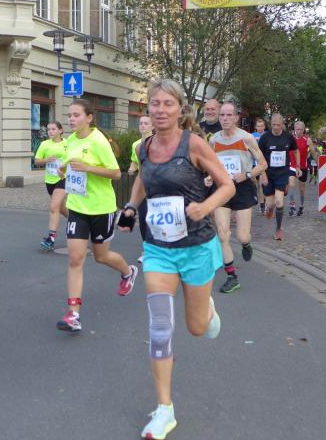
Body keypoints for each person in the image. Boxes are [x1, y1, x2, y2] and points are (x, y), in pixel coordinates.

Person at [118, 79, 235, 440]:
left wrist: (205, 206)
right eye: (155, 104)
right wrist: (130, 206)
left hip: (196, 247)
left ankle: (207, 309)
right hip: (158, 248)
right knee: (159, 328)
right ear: (148, 108)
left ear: (180, 109)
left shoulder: (194, 144)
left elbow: (227, 185)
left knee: (197, 328)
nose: (161, 110)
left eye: (168, 104)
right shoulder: (144, 147)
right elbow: (143, 180)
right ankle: (164, 409)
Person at [57, 99, 138, 333]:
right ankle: (73, 314)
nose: (71, 119)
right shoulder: (70, 141)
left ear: (89, 118)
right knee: (75, 258)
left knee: (101, 256)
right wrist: (63, 170)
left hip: (101, 208)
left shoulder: (98, 141)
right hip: (78, 206)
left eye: (76, 115)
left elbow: (115, 173)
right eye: (69, 115)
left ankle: (128, 272)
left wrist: (87, 168)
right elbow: (69, 167)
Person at [210, 103, 267, 293]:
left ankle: (246, 243)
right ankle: (232, 277)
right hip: (222, 187)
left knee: (242, 235)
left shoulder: (246, 138)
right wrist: (209, 176)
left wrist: (247, 174)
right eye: (222, 115)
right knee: (223, 234)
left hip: (243, 187)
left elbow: (263, 164)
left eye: (229, 115)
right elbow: (211, 164)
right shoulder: (214, 140)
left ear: (236, 118)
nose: (225, 118)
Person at [258, 113, 299, 241]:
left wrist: (297, 166)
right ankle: (269, 209)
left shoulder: (288, 137)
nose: (275, 127)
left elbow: (296, 151)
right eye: (273, 125)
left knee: (279, 201)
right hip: (268, 173)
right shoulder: (265, 138)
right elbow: (259, 157)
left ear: (282, 125)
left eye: (278, 125)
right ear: (271, 124)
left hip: (282, 173)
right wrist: (262, 174)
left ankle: (278, 229)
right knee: (271, 204)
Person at [33, 121, 69, 250]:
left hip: (63, 178)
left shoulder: (68, 144)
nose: (50, 132)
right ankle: (77, 222)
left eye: (53, 129)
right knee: (61, 208)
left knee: (54, 207)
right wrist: (46, 160)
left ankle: (51, 238)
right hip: (50, 180)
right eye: (48, 129)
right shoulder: (45, 144)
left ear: (60, 130)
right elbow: (36, 161)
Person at [128, 115, 154, 263]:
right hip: (143, 185)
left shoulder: (157, 142)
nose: (143, 126)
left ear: (152, 126)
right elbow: (136, 162)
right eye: (141, 123)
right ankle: (146, 250)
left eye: (146, 123)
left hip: (157, 187)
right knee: (143, 218)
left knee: (155, 219)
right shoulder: (136, 145)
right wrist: (132, 168)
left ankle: (157, 249)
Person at [288, 121, 315, 216]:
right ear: (294, 129)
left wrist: (320, 163)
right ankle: (292, 207)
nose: (299, 131)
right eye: (297, 129)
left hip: (303, 167)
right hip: (292, 166)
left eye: (301, 129)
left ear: (304, 130)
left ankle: (301, 206)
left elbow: (313, 153)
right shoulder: (290, 139)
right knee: (291, 185)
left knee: (302, 189)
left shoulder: (307, 140)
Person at [251, 118, 267, 214]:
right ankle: (256, 198)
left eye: (261, 126)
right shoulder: (251, 136)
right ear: (255, 127)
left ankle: (262, 205)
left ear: (264, 127)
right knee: (255, 184)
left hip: (263, 163)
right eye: (258, 126)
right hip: (253, 163)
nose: (260, 128)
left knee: (262, 184)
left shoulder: (267, 135)